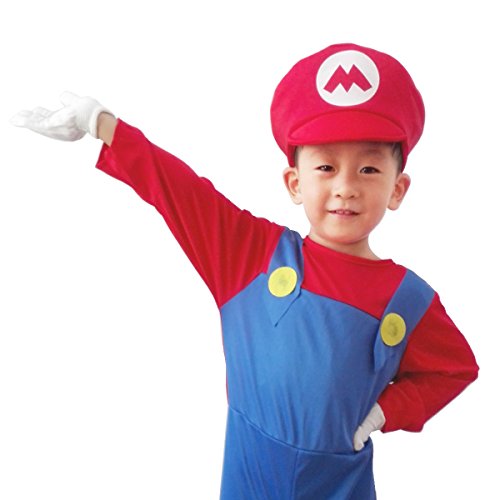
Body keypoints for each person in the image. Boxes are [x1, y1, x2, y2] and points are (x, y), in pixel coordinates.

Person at [11, 42, 479, 499]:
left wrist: (384, 412)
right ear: (294, 183)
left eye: (369, 171)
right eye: (325, 167)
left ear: (398, 189)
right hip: (250, 476)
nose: (345, 187)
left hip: (340, 484)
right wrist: (103, 124)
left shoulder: (409, 299)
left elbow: (454, 369)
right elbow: (183, 194)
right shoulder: (250, 257)